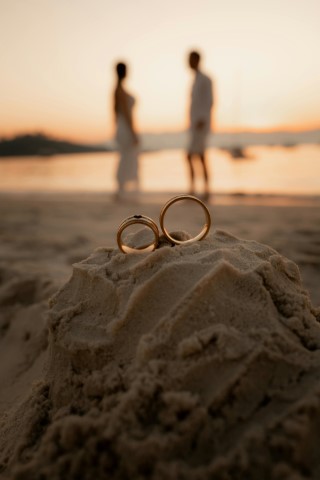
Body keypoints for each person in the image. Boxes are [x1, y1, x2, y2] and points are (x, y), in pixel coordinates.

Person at [186, 50, 214, 200]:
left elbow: (209, 101)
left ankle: (200, 190)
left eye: (190, 59)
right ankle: (200, 190)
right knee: (198, 157)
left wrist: (202, 120)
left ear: (197, 60)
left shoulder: (205, 79)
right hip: (195, 124)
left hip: (201, 125)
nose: (187, 62)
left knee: (194, 156)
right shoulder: (196, 79)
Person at [114, 62, 139, 199]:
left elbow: (115, 114)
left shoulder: (117, 89)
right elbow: (126, 114)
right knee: (127, 158)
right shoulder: (120, 91)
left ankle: (121, 189)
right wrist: (133, 132)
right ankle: (122, 190)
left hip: (121, 127)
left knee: (124, 157)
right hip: (125, 128)